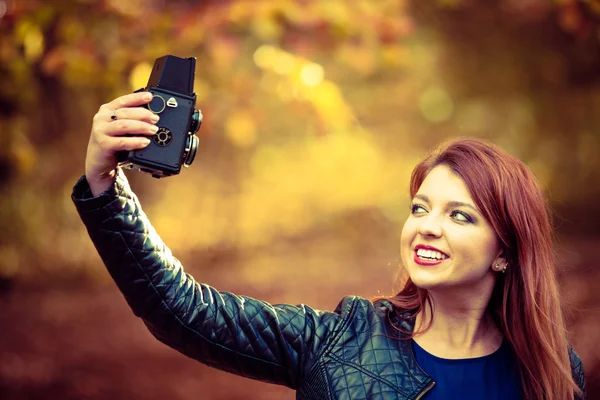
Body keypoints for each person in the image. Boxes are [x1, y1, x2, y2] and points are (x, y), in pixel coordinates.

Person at [72, 91, 586, 400]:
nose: (427, 227)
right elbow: (179, 309)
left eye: (460, 215)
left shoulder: (554, 373)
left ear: (505, 250)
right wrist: (104, 185)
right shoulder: (342, 342)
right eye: (420, 208)